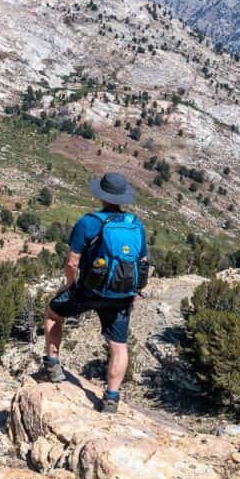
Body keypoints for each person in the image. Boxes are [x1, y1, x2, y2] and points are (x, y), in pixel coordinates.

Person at [41, 172, 149, 413]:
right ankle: (111, 398)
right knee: (118, 345)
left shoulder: (88, 222)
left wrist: (70, 285)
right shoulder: (135, 224)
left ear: (101, 195)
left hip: (89, 290)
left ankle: (53, 365)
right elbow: (142, 262)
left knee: (52, 313)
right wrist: (134, 292)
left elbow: (72, 262)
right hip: (121, 295)